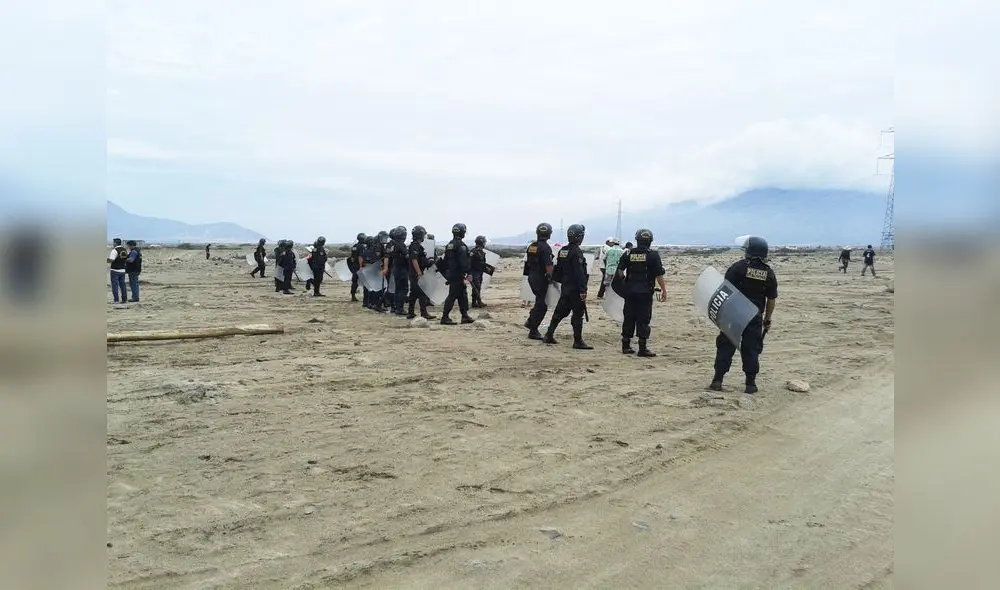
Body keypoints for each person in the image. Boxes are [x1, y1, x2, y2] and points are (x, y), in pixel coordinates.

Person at [709, 236, 778, 394]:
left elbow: (724, 291)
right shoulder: (768, 273)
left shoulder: (737, 268)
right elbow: (771, 299)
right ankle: (750, 384)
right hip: (754, 316)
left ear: (748, 251)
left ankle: (717, 380)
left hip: (733, 314)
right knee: (751, 349)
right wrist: (767, 319)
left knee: (726, 346)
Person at [615, 229, 667, 356]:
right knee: (643, 319)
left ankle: (626, 346)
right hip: (645, 292)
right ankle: (642, 349)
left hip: (630, 292)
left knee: (629, 318)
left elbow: (620, 271)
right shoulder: (653, 255)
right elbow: (659, 275)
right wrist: (664, 290)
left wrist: (624, 284)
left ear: (637, 240)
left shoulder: (628, 253)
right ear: (650, 241)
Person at [543, 224, 592, 349]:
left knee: (560, 312)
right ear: (579, 237)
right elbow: (579, 273)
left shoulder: (563, 250)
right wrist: (583, 290)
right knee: (577, 314)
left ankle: (549, 334)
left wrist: (558, 281)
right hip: (575, 288)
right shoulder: (576, 252)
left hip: (566, 286)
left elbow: (558, 270)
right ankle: (578, 341)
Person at [523, 223, 554, 339]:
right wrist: (551, 277)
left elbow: (528, 263)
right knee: (542, 305)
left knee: (539, 301)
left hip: (531, 276)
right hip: (540, 278)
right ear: (549, 234)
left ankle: (530, 322)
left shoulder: (531, 246)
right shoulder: (546, 248)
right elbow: (548, 265)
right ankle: (533, 330)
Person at [440, 222, 475, 325]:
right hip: (457, 274)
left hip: (451, 273)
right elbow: (464, 261)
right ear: (462, 232)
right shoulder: (461, 245)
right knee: (452, 296)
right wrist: (468, 272)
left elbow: (445, 261)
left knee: (462, 295)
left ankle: (465, 316)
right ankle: (444, 317)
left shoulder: (449, 245)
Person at [406, 225, 436, 320]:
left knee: (414, 294)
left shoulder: (416, 246)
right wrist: (419, 273)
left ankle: (410, 313)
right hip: (416, 274)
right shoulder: (415, 246)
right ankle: (424, 313)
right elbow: (414, 260)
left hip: (415, 273)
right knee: (422, 293)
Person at [388, 226, 410, 314]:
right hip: (402, 269)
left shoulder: (393, 244)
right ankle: (400, 309)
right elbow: (407, 256)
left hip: (395, 268)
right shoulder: (401, 244)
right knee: (403, 289)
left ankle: (395, 307)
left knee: (397, 289)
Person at [107, 238, 128, 304]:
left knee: (115, 286)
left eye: (113, 242)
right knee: (123, 285)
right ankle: (124, 299)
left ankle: (116, 300)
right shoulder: (124, 250)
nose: (113, 244)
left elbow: (111, 260)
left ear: (115, 243)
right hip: (123, 270)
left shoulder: (114, 250)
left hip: (115, 270)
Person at [469, 235, 488, 308]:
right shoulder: (473, 252)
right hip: (474, 272)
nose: (485, 244)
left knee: (478, 287)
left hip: (480, 272)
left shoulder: (481, 252)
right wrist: (469, 273)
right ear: (481, 242)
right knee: (476, 287)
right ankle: (477, 302)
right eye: (484, 242)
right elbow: (469, 263)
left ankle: (475, 302)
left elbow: (482, 263)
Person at [348, 233, 365, 301]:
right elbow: (360, 257)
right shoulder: (361, 246)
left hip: (354, 265)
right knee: (364, 281)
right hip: (359, 266)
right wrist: (361, 266)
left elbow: (352, 257)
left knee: (355, 281)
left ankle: (353, 295)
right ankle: (365, 296)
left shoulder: (354, 246)